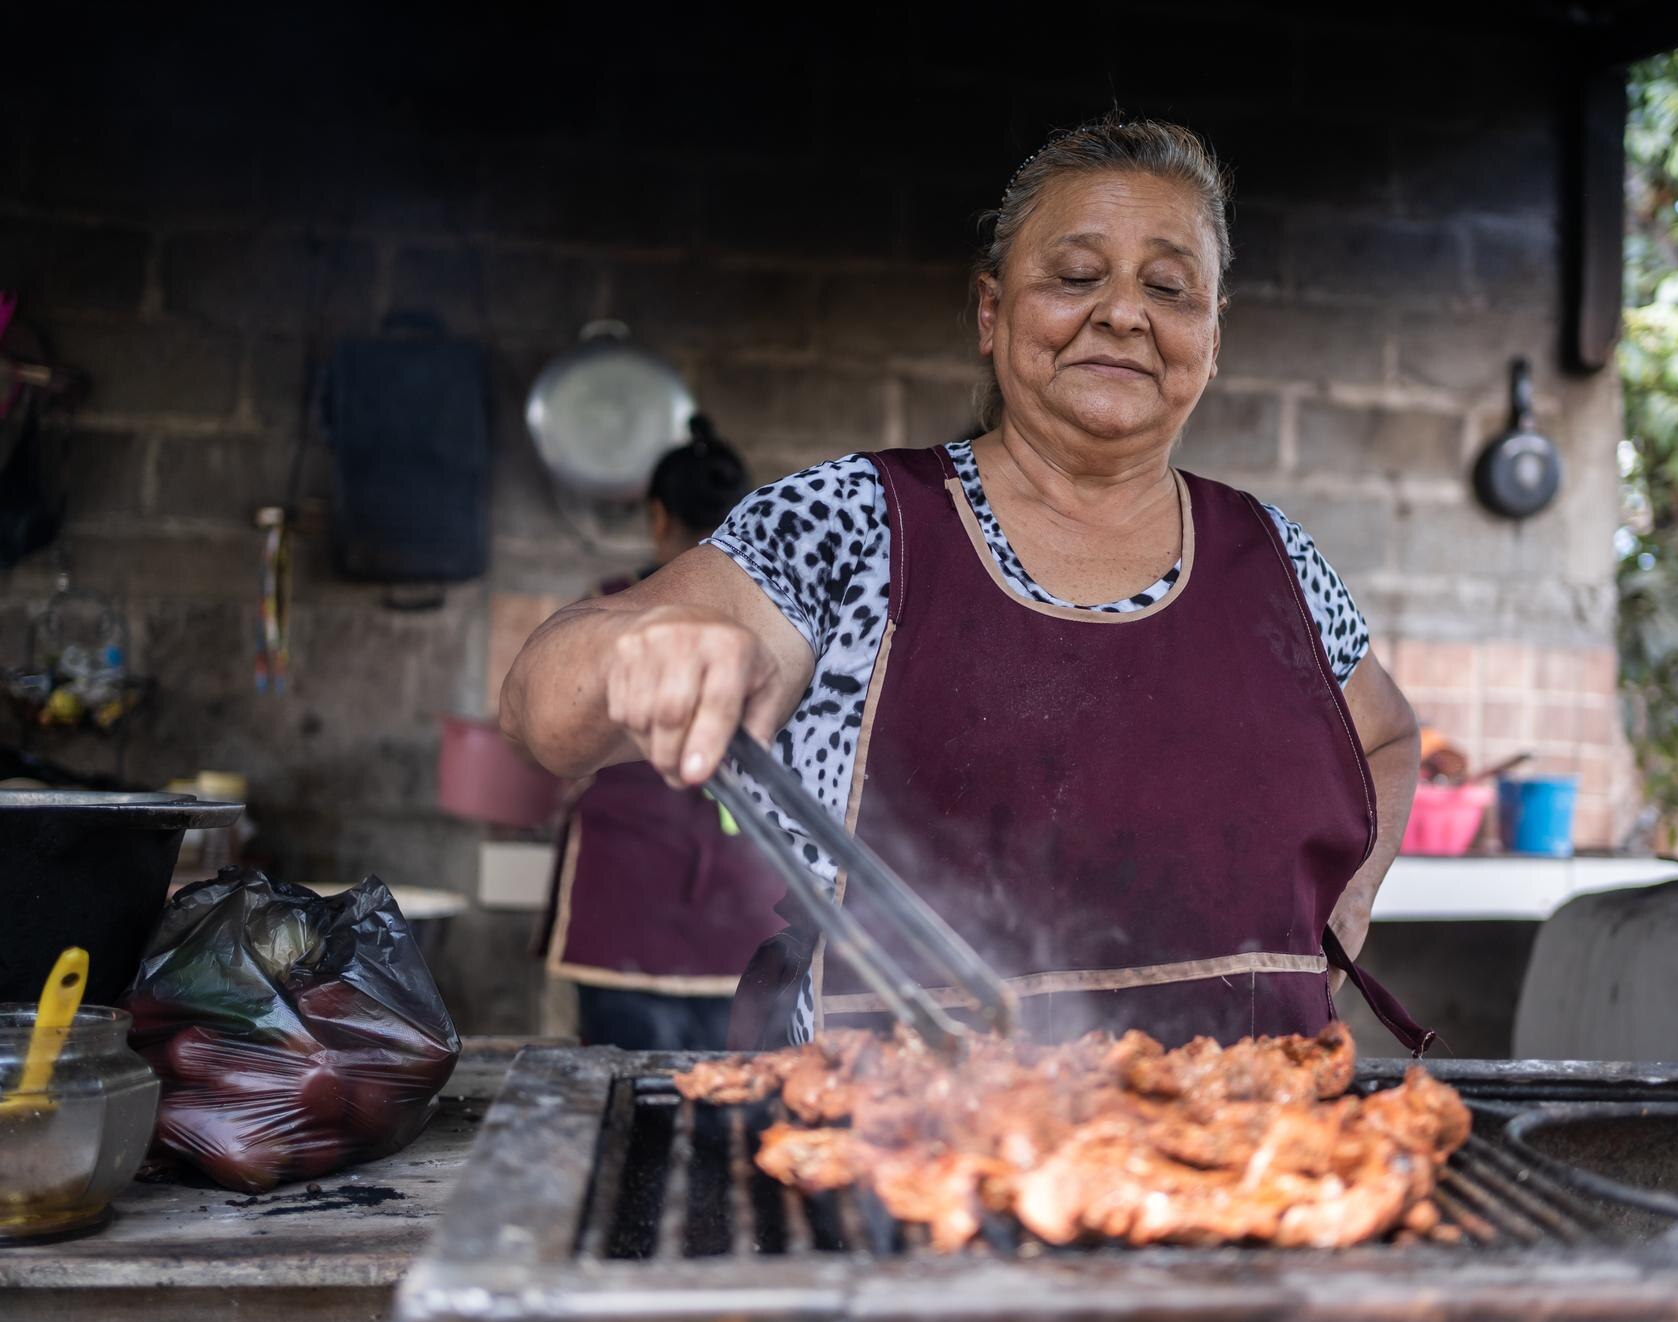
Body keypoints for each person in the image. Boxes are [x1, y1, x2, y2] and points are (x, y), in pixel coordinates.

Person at [504, 115, 1429, 1053]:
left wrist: (1346, 905)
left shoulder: (1277, 558)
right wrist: (636, 652)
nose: (1122, 313)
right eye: (1076, 276)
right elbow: (544, 707)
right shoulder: (852, 523)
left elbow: (1388, 735)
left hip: (1249, 1129)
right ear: (992, 312)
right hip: (905, 1132)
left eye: (1168, 287)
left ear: (1213, 336)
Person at [540, 418, 787, 1050]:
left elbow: (558, 745)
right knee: (741, 1090)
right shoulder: (787, 621)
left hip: (625, 901)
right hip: (749, 906)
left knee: (622, 1086)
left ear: (657, 516)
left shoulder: (609, 610)